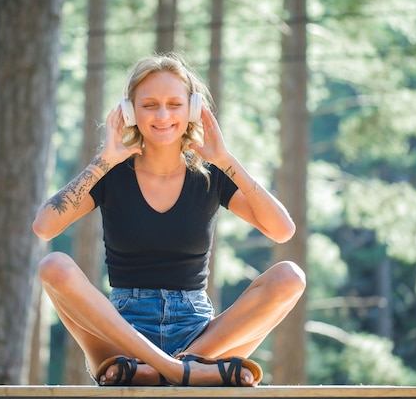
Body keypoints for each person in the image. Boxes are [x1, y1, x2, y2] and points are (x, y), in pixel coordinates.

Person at [32, 53, 306, 387]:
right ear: (130, 111)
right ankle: (179, 372)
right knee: (54, 266)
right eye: (150, 105)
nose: (163, 116)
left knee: (290, 277)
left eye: (174, 104)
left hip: (202, 336)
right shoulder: (110, 174)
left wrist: (225, 159)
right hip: (122, 331)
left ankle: (176, 365)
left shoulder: (211, 175)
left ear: (192, 109)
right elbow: (43, 226)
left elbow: (282, 230)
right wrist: (103, 161)